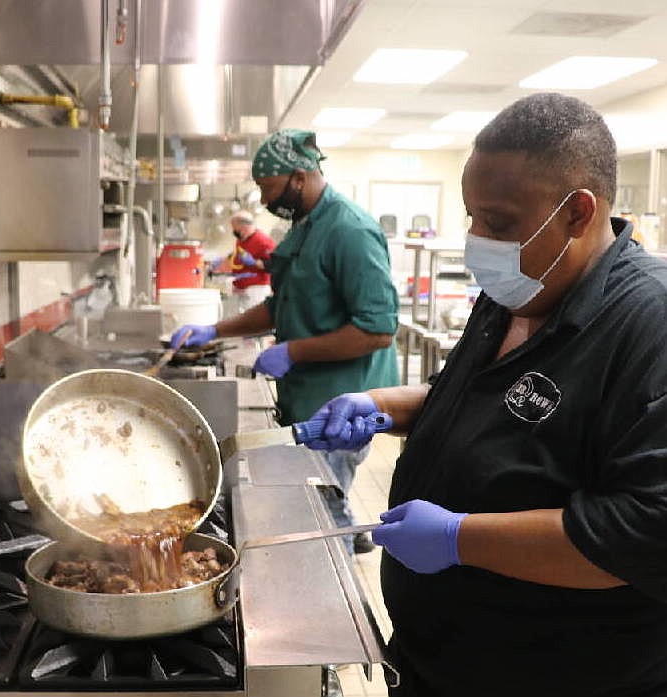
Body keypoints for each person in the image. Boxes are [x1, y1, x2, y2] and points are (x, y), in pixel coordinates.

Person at [306, 92, 667, 695]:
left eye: (498, 223)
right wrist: (380, 407)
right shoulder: (514, 291)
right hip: (437, 664)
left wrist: (458, 539)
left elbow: (644, 532)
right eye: (473, 217)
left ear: (578, 213)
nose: (479, 240)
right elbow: (476, 400)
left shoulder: (647, 325)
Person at [172, 128, 399, 554]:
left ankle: (335, 591)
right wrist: (213, 331)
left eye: (267, 187)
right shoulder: (305, 226)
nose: (263, 199)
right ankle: (352, 536)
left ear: (298, 177)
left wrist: (293, 351)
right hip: (308, 397)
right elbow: (282, 305)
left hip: (341, 406)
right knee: (325, 499)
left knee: (322, 515)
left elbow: (377, 329)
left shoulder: (349, 230)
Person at [228, 210, 276, 312]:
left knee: (255, 323)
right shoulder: (242, 239)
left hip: (257, 290)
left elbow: (274, 265)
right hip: (241, 289)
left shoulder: (263, 241)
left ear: (243, 226)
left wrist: (254, 262)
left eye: (235, 228)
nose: (233, 231)